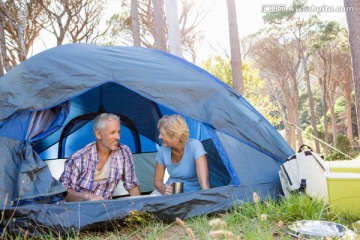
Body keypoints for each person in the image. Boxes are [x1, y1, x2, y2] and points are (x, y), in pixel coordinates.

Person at [59, 113, 141, 201]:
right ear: (98, 134)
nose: (118, 137)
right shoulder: (79, 158)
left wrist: (141, 210)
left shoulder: (124, 152)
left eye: (119, 132)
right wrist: (86, 197)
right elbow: (63, 192)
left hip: (106, 208)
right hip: (78, 208)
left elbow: (132, 185)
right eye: (112, 132)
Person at [152, 114, 210, 195]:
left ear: (174, 135)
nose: (159, 137)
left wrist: (208, 201)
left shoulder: (195, 146)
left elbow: (204, 183)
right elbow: (157, 180)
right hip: (171, 192)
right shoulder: (162, 150)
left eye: (162, 134)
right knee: (150, 203)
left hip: (192, 193)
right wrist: (164, 188)